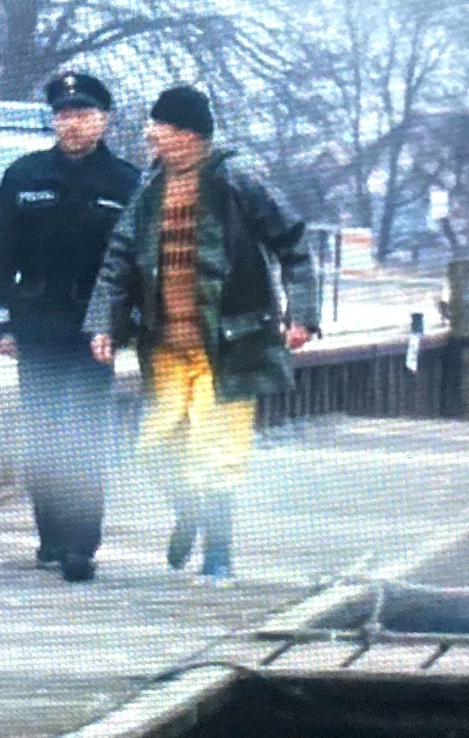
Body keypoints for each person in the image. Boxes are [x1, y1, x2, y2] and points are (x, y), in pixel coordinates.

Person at [85, 85, 318, 580]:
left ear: (188, 134)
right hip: (166, 348)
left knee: (215, 454)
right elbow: (117, 261)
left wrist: (301, 314)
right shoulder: (149, 189)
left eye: (158, 126)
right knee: (153, 449)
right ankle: (188, 510)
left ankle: (218, 554)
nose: (148, 134)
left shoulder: (237, 181)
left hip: (228, 344)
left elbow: (294, 245)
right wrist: (103, 323)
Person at [0, 71, 140, 583]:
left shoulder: (127, 183)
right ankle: (50, 535)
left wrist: (127, 326)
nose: (72, 124)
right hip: (38, 325)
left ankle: (81, 545)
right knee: (43, 433)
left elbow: (140, 266)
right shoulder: (24, 175)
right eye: (64, 115)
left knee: (85, 434)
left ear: (104, 120)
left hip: (95, 330)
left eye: (83, 115)